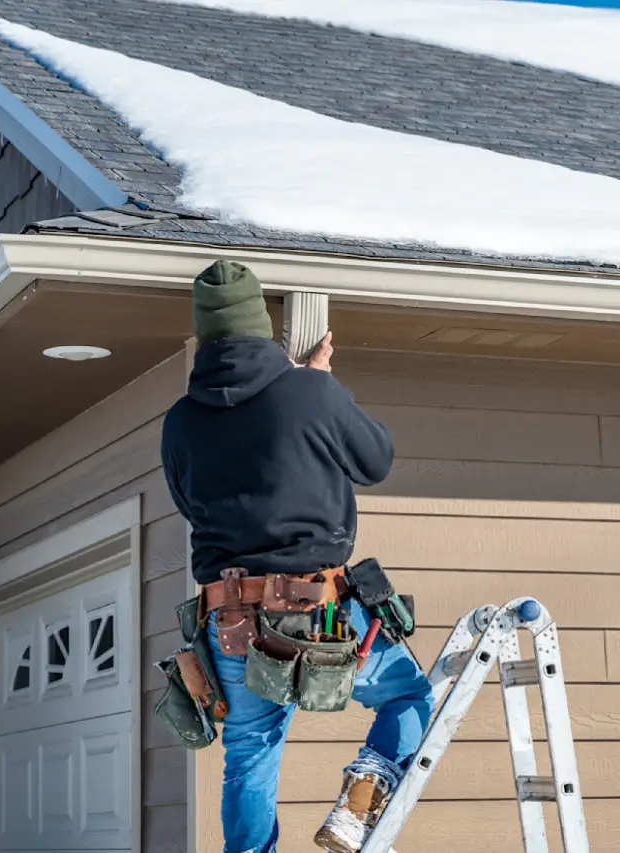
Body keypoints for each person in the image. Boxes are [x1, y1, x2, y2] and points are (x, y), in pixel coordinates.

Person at [160, 259, 435, 853]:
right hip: (319, 609)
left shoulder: (181, 422)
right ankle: (360, 801)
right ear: (262, 327)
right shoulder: (310, 391)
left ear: (205, 335)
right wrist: (319, 388)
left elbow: (190, 504)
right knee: (409, 695)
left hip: (228, 616)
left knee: (250, 758)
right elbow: (376, 461)